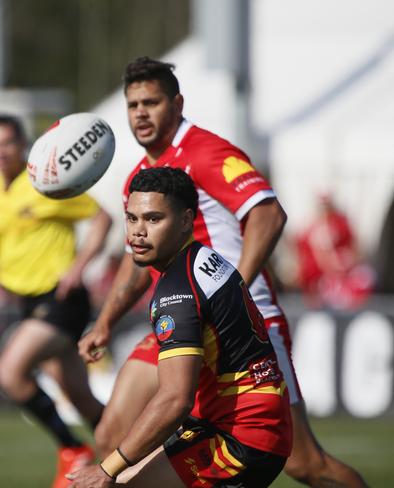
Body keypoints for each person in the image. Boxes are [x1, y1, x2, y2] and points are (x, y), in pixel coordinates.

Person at [78, 57, 367, 487]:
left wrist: (230, 299)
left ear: (176, 104)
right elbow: (133, 262)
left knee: (304, 463)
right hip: (181, 320)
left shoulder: (206, 151)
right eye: (133, 104)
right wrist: (105, 321)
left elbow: (267, 214)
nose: (140, 113)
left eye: (151, 102)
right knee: (112, 431)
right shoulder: (141, 181)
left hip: (242, 325)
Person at [68, 167, 292, 487]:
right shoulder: (202, 259)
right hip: (241, 421)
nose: (138, 232)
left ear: (186, 220)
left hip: (241, 438)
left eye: (153, 219)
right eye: (132, 219)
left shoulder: (178, 291)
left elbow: (175, 399)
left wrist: (106, 468)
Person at [0, 114, 112, 488]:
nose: (0, 151)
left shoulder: (46, 182)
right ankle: (134, 447)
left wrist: (80, 266)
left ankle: (72, 448)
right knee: (81, 398)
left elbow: (102, 218)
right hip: (28, 302)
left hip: (62, 297)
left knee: (9, 372)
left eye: (7, 143)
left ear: (23, 145)